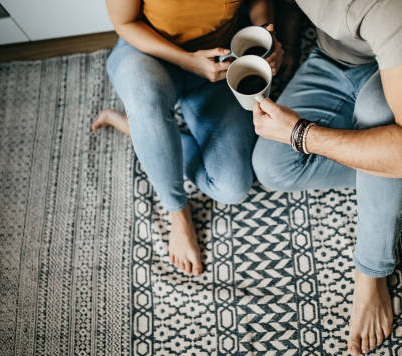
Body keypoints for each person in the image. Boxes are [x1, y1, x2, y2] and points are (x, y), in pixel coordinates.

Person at [251, 0, 402, 356]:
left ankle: (371, 271)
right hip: (333, 59)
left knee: (384, 118)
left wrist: (301, 133)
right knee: (273, 167)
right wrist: (277, 38)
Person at [92, 0, 283, 277]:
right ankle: (178, 214)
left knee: (231, 188)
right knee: (146, 102)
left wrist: (265, 34)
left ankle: (138, 129)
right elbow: (124, 22)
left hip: (221, 60)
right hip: (149, 53)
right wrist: (186, 61)